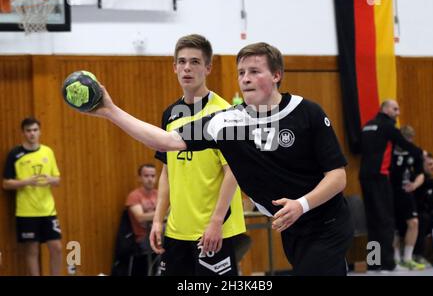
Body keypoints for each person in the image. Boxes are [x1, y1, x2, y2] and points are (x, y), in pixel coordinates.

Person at [85, 42, 353, 276]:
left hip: (326, 221)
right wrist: (111, 111)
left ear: (276, 76)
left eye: (255, 71)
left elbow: (338, 176)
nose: (245, 78)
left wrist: (301, 205)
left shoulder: (307, 112)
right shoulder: (228, 122)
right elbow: (164, 141)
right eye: (241, 73)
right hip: (291, 229)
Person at [151, 34, 246, 276]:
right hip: (176, 231)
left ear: (208, 67)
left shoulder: (225, 113)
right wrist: (157, 220)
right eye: (181, 62)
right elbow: (166, 171)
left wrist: (216, 222)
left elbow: (233, 172)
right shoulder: (170, 114)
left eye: (194, 62)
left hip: (213, 231)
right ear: (174, 68)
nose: (187, 68)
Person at [359, 100, 422, 271]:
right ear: (385, 109)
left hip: (364, 177)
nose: (398, 112)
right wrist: (419, 154)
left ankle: (374, 262)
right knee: (385, 220)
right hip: (380, 178)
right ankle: (387, 262)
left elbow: (359, 147)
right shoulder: (387, 127)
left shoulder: (367, 126)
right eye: (395, 109)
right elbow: (405, 144)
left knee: (372, 221)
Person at [2, 117, 62, 276]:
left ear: (40, 131)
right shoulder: (15, 154)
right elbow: (6, 184)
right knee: (32, 250)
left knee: (57, 248)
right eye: (28, 131)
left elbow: (57, 179)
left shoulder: (47, 151)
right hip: (26, 211)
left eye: (35, 130)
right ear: (23, 133)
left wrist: (50, 180)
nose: (32, 134)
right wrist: (26, 182)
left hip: (48, 210)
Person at [390, 125, 425, 270]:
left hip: (406, 193)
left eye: (411, 139)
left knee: (414, 223)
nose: (408, 142)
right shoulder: (389, 150)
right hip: (389, 192)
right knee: (393, 227)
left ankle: (407, 258)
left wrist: (414, 185)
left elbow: (421, 174)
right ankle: (396, 259)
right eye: (406, 139)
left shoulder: (415, 152)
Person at [125, 163, 158, 275]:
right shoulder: (134, 196)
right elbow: (140, 218)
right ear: (140, 178)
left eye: (153, 176)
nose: (150, 179)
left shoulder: (159, 194)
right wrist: (162, 213)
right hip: (144, 238)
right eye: (146, 176)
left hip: (160, 234)